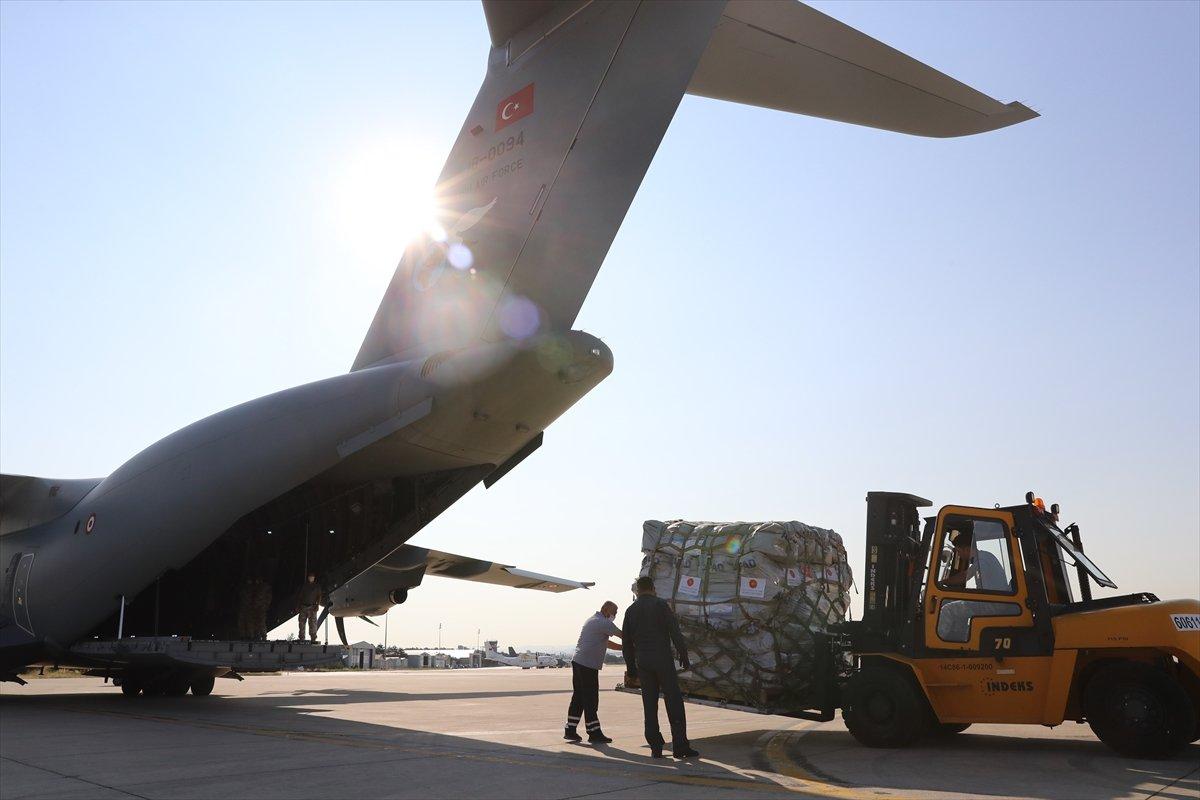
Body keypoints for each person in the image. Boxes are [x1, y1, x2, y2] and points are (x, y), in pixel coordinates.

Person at [622, 576, 699, 759]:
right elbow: (674, 631)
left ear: (638, 590)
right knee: (673, 702)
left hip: (643, 662)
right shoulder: (660, 605)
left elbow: (626, 643)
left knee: (649, 705)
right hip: (662, 659)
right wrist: (683, 655)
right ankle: (680, 746)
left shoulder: (630, 610)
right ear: (653, 588)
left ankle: (655, 747)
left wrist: (631, 668)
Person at [564, 601, 623, 744]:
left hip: (579, 662)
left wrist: (623, 648)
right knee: (590, 698)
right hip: (587, 665)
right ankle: (594, 732)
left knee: (579, 697)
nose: (614, 616)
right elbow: (623, 635)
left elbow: (606, 643)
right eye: (614, 612)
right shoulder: (603, 623)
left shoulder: (593, 620)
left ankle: (570, 730)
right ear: (605, 609)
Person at [297, 573, 321, 642]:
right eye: (310, 577)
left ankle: (313, 638)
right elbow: (300, 597)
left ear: (314, 578)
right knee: (301, 623)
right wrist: (298, 606)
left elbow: (319, 596)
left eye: (312, 577)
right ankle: (302, 637)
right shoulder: (304, 586)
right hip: (303, 606)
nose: (311, 578)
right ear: (308, 578)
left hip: (312, 607)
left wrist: (317, 605)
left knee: (313, 623)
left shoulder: (317, 586)